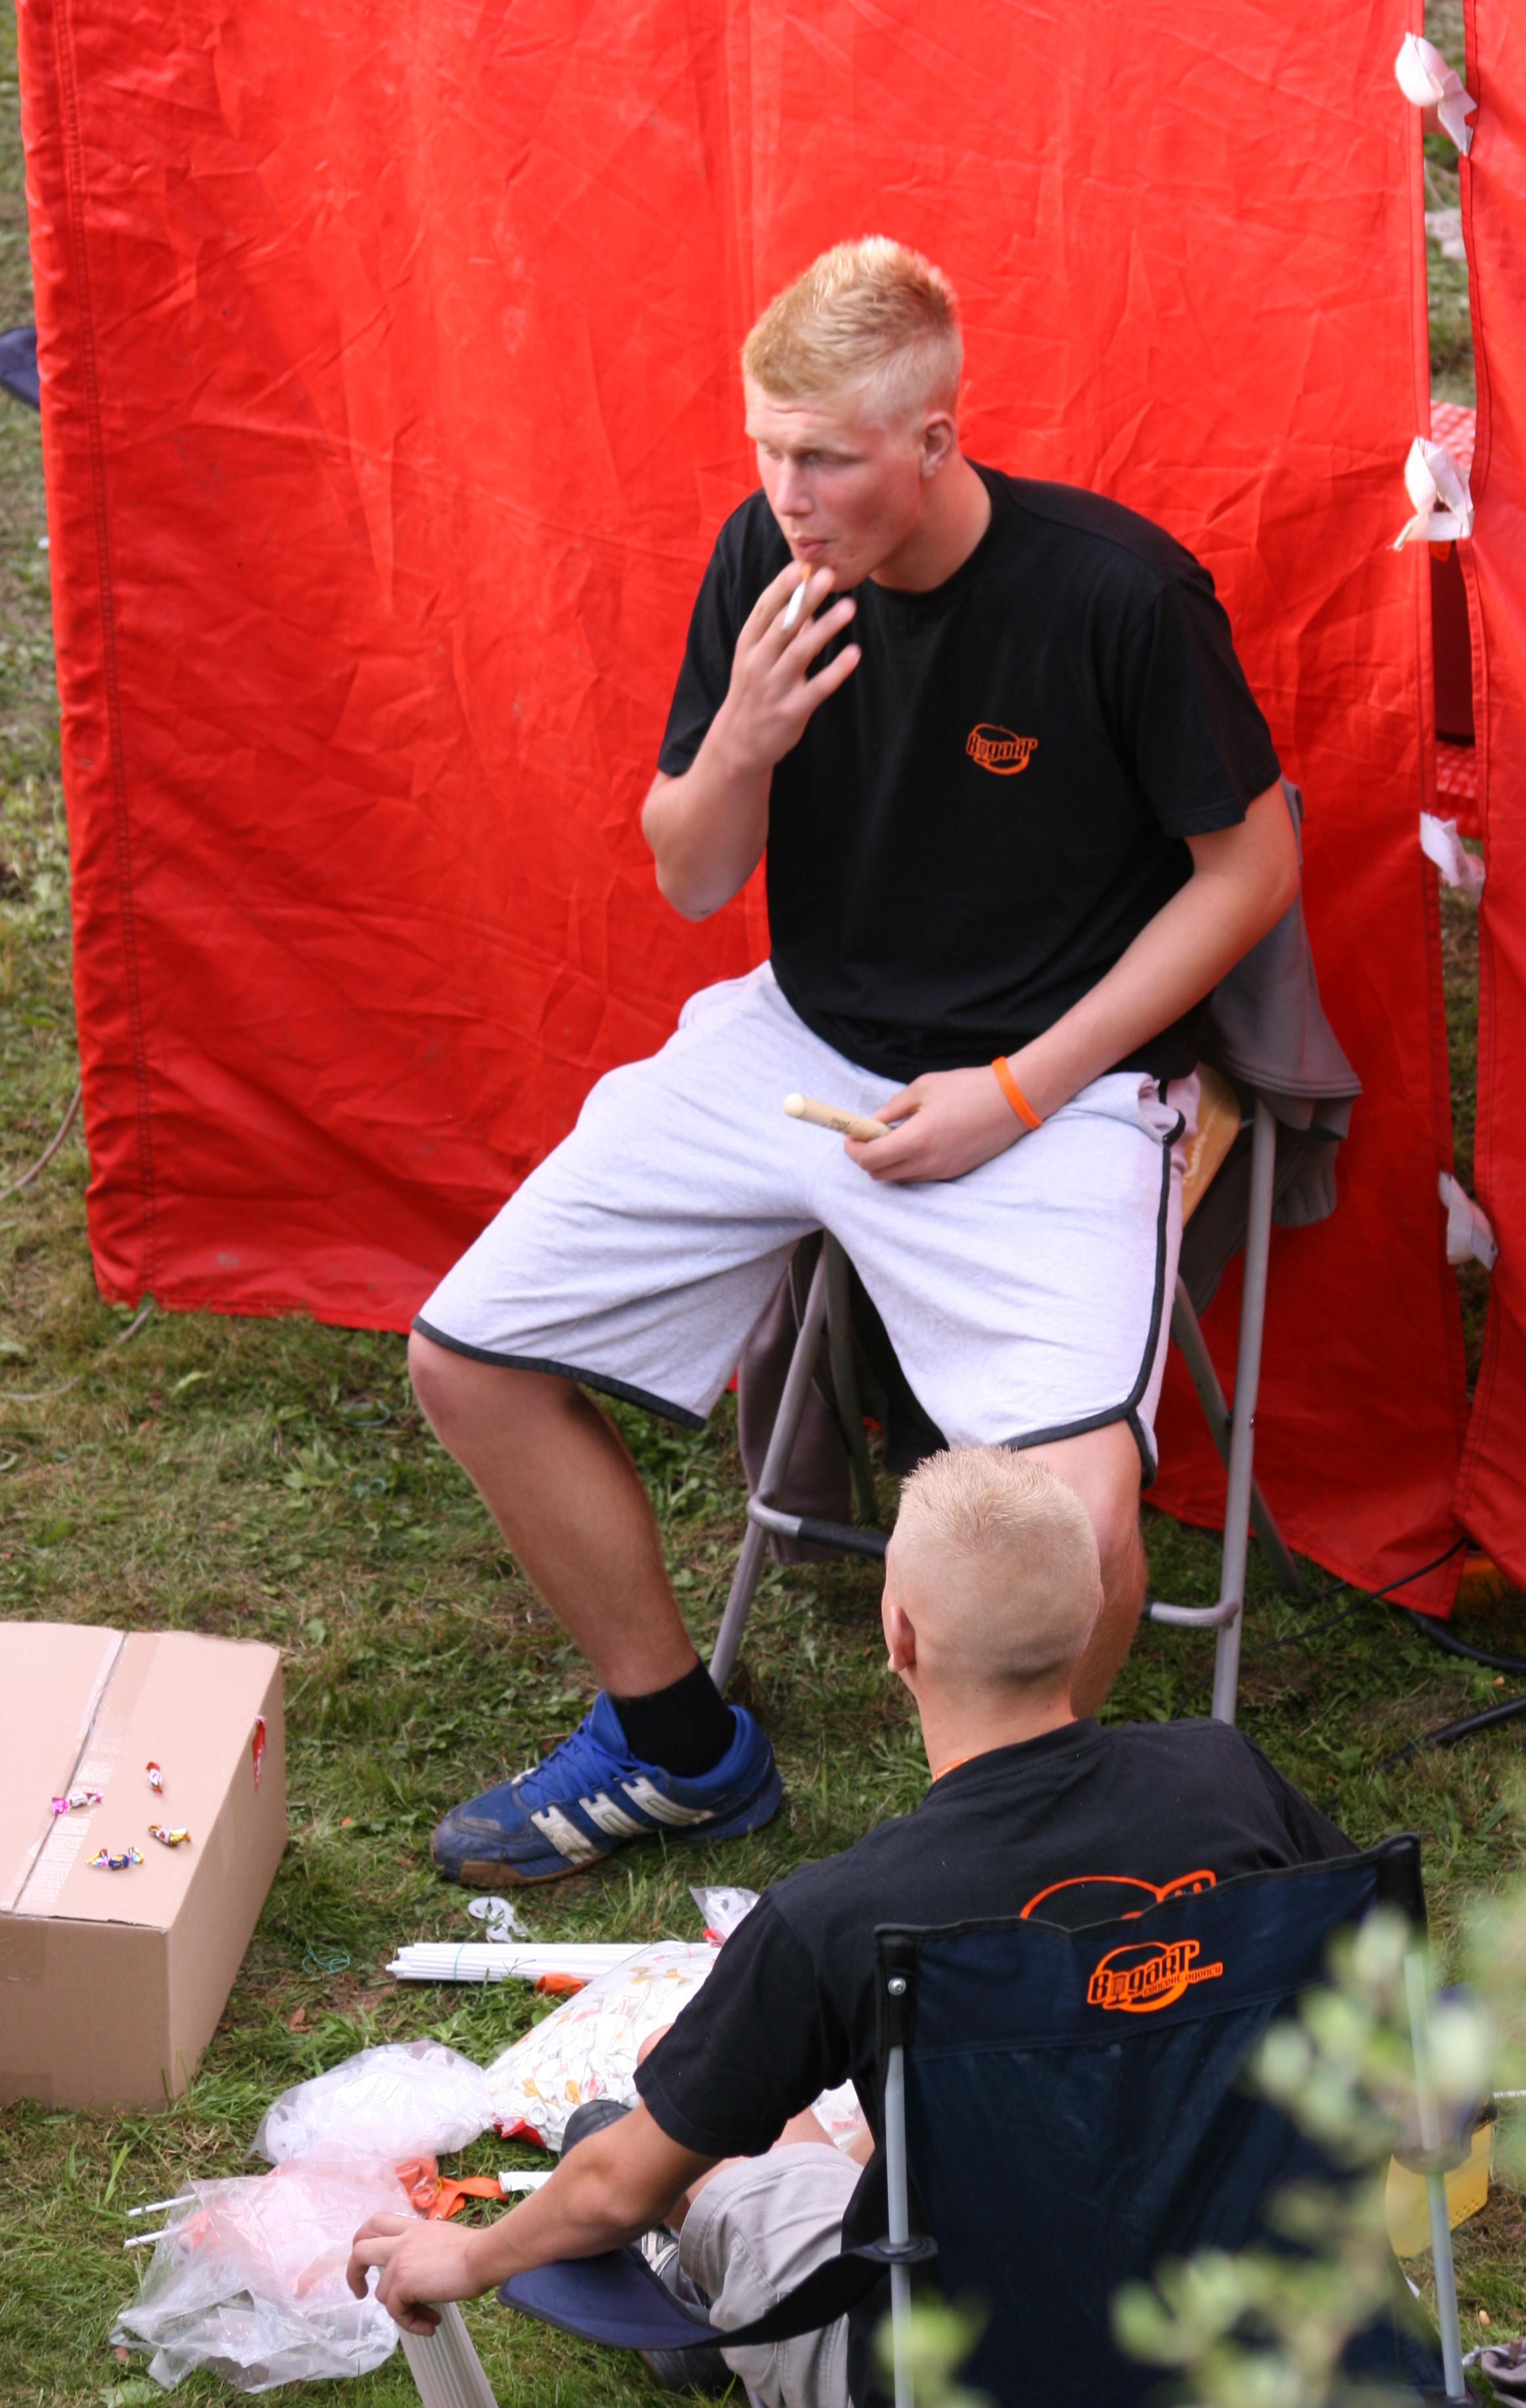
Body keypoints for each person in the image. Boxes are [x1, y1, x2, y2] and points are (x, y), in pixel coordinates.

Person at [413, 237, 1299, 1887]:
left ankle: (1008, 1861)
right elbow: (693, 877)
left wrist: (1017, 1093)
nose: (786, 492)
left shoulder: (1115, 593)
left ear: (936, 442)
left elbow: (1251, 872)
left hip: (1051, 1090)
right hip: (799, 1041)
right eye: (767, 447)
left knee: (1079, 1526)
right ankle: (678, 1746)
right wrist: (741, 747)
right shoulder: (768, 560)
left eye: (823, 456)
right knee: (468, 1358)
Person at [348, 1448, 1355, 2408]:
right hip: (1272, 2333)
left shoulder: (843, 1915)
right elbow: (1387, 2018)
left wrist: (470, 2255)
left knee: (682, 2117)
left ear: (898, 1633)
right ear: (1094, 1607)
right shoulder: (1229, 1780)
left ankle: (711, 2292)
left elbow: (619, 2188)